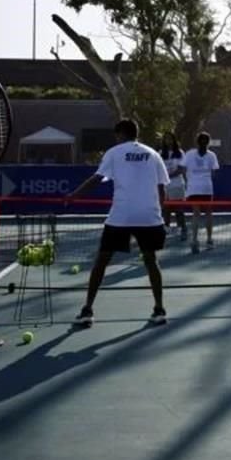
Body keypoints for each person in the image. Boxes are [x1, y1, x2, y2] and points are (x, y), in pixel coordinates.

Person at [66, 119, 169, 326]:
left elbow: (97, 178)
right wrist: (160, 216)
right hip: (149, 217)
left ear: (120, 134)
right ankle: (159, 310)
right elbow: (162, 189)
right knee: (151, 261)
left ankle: (87, 311)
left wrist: (73, 196)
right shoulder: (154, 154)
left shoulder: (114, 152)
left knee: (102, 261)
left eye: (116, 134)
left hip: (121, 216)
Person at [181, 131, 220, 253]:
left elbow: (183, 169)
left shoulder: (189, 154)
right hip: (206, 188)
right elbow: (213, 173)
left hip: (193, 188)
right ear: (208, 143)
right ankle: (209, 240)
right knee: (208, 213)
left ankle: (194, 240)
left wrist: (190, 179)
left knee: (195, 214)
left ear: (196, 142)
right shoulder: (212, 155)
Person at [159, 131, 187, 241]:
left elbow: (181, 169)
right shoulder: (160, 153)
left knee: (178, 209)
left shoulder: (180, 153)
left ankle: (183, 229)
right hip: (165, 187)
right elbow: (158, 169)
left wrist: (168, 175)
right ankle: (165, 230)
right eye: (166, 139)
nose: (168, 141)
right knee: (166, 209)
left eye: (170, 139)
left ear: (174, 140)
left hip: (177, 185)